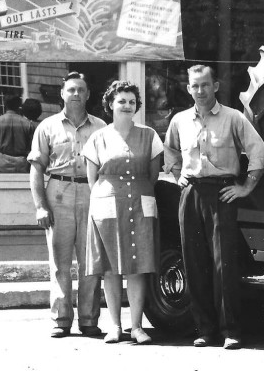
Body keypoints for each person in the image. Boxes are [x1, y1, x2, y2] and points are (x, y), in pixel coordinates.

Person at [163, 65, 264, 350]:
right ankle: (205, 330)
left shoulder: (233, 118)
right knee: (194, 265)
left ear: (216, 86)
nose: (200, 91)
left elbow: (259, 152)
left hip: (222, 194)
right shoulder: (180, 120)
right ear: (189, 88)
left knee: (223, 265)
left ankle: (230, 330)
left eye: (205, 85)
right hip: (191, 194)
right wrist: (177, 175)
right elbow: (170, 151)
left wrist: (245, 186)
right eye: (195, 86)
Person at [82, 81, 163, 344]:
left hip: (140, 202)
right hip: (108, 204)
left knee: (138, 267)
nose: (127, 106)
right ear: (110, 105)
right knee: (111, 268)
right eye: (121, 101)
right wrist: (111, 196)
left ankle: (137, 326)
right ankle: (115, 326)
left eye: (131, 101)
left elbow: (152, 174)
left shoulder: (149, 135)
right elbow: (92, 180)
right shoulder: (98, 137)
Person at [28, 72, 105, 338]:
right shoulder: (46, 126)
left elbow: (106, 167)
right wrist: (40, 206)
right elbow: (36, 169)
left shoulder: (100, 127)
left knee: (90, 261)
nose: (75, 94)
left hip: (90, 191)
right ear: (62, 93)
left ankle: (88, 319)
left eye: (80, 90)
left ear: (87, 95)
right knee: (59, 261)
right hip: (57, 192)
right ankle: (61, 319)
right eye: (70, 89)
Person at [0, 94, 34, 172]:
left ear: (5, 104)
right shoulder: (27, 124)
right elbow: (33, 148)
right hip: (22, 164)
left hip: (3, 163)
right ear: (19, 105)